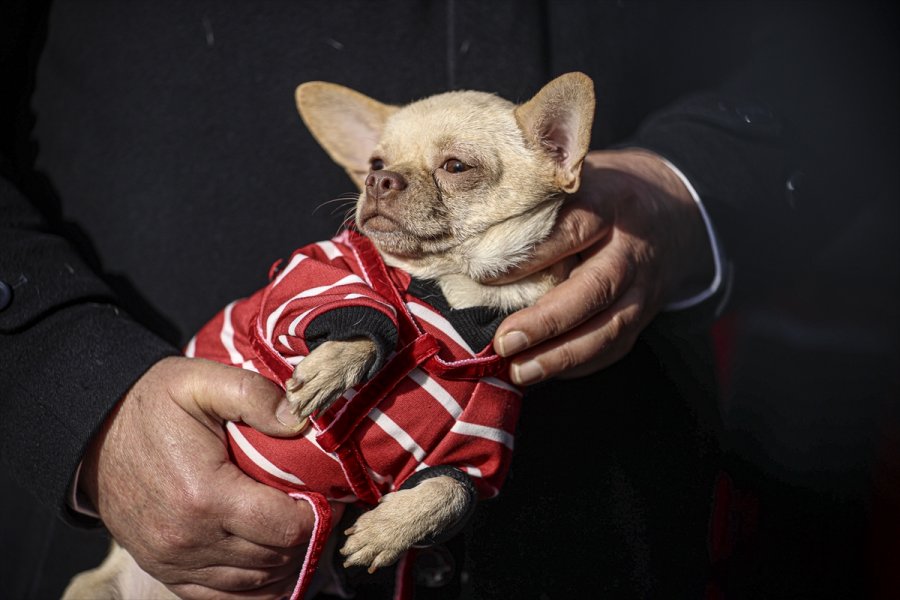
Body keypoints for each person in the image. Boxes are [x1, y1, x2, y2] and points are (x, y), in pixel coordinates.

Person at [0, 1, 895, 599]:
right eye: (379, 171)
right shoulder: (333, 273)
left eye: (447, 167)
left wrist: (695, 179)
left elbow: (854, 46)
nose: (386, 186)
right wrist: (80, 386)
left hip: (608, 518)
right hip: (169, 482)